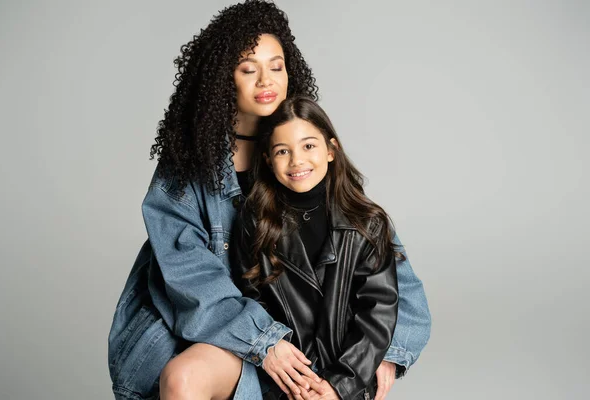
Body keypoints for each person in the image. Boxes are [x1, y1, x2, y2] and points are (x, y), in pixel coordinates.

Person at [107, 1, 431, 400]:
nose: (266, 80)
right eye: (248, 69)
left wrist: (387, 354)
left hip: (306, 345)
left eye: (276, 66)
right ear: (222, 80)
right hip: (215, 335)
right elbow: (190, 278)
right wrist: (262, 340)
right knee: (183, 378)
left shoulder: (301, 152)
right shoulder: (187, 168)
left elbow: (387, 265)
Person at [233, 96, 400, 400]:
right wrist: (295, 379)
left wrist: (337, 386)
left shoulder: (367, 223)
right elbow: (251, 300)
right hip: (283, 379)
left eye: (309, 146)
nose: (297, 161)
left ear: (331, 150)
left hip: (348, 381)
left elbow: (377, 316)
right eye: (283, 151)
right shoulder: (255, 221)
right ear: (269, 160)